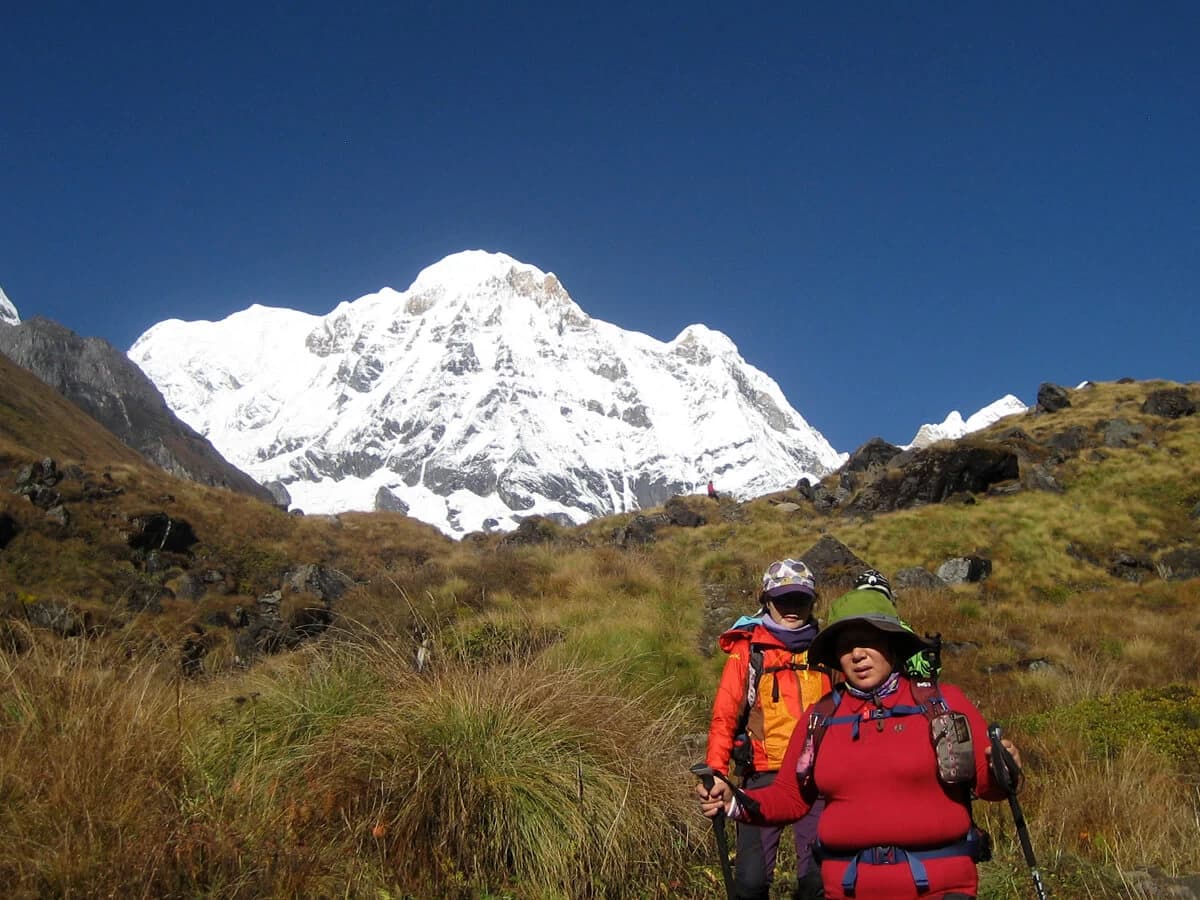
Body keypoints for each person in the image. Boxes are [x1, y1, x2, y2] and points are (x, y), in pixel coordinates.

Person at [698, 588, 1023, 900]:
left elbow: (990, 785)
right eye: (846, 645)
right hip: (846, 890)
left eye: (868, 641)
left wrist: (1003, 769)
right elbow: (789, 798)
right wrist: (734, 800)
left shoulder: (940, 704)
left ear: (892, 644)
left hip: (941, 890)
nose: (857, 654)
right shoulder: (820, 718)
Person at [705, 559, 831, 899]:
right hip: (763, 775)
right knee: (750, 883)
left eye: (800, 600)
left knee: (817, 883)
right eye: (783, 600)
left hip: (819, 777)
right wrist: (716, 771)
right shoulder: (749, 652)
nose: (792, 608)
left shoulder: (829, 649)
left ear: (812, 602)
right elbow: (725, 716)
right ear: (767, 601)